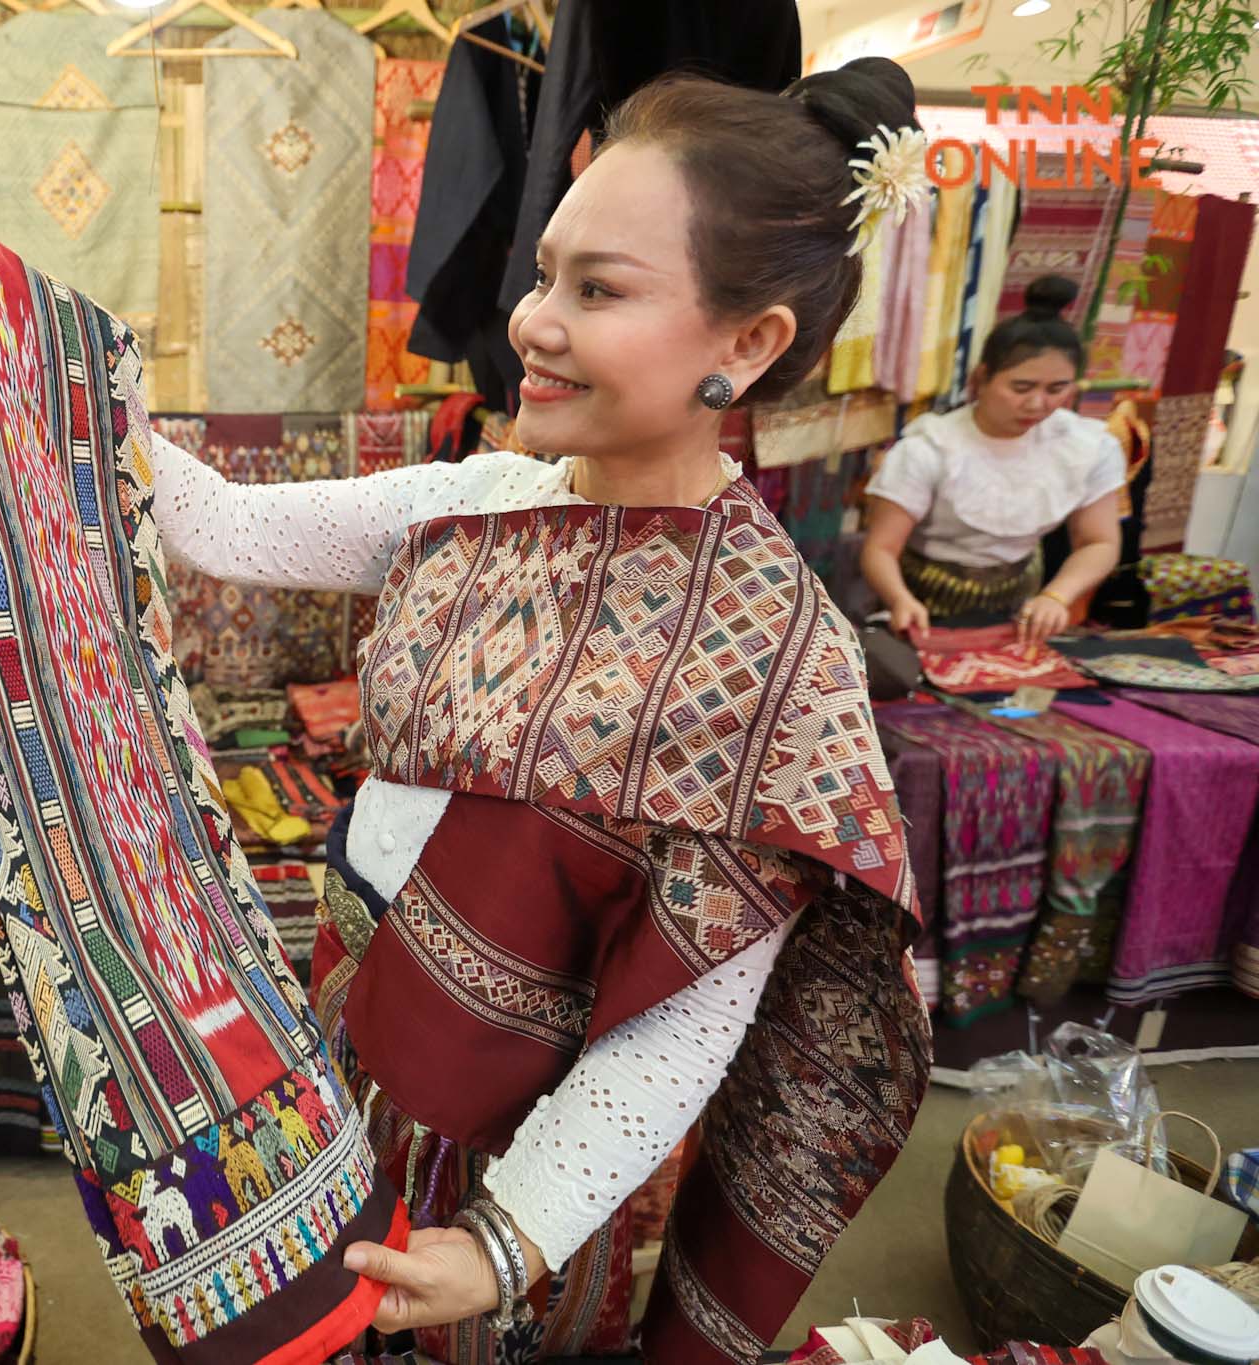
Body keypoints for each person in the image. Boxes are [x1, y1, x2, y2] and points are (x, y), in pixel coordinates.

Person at [145, 62, 931, 1362]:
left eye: (599, 289)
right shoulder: (485, 502)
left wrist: (509, 1238)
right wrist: (43, 378)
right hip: (352, 1044)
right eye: (544, 273)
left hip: (522, 1159)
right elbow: (224, 523)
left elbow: (685, 1019)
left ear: (749, 343)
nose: (531, 321)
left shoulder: (777, 662)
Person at [861, 274, 1126, 644]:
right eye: (1021, 387)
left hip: (1023, 609)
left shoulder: (1086, 445)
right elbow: (881, 548)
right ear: (981, 378)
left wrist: (1056, 596)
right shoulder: (931, 447)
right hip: (922, 605)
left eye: (1057, 389)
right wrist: (900, 599)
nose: (1038, 404)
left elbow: (1100, 542)